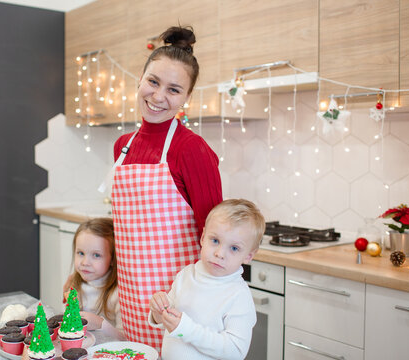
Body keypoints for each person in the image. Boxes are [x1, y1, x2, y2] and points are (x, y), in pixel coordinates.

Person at [110, 25, 223, 349]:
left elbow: (215, 235)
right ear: (140, 79)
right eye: (153, 81)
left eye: (174, 90)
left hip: (180, 303)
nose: (158, 96)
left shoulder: (192, 149)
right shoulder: (123, 146)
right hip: (132, 297)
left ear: (187, 97)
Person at [148, 199, 265, 359]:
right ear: (203, 237)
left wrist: (186, 330)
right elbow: (170, 321)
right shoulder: (186, 274)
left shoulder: (238, 295)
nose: (220, 253)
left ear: (249, 256)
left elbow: (235, 351)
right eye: (215, 240)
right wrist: (158, 311)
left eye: (234, 248)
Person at [64, 218, 125, 340]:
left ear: (113, 259)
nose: (85, 262)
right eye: (80, 253)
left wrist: (100, 324)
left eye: (96, 255)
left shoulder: (118, 294)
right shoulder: (74, 284)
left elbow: (125, 338)